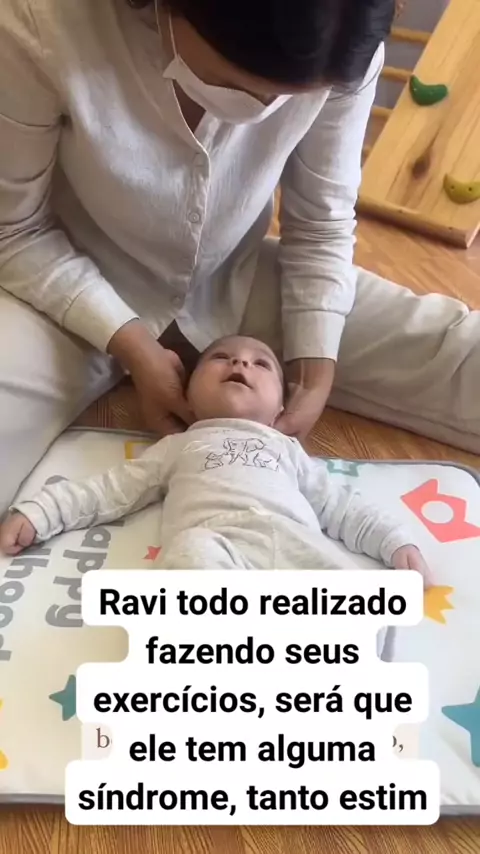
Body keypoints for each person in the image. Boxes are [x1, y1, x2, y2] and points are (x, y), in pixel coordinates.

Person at [0, 0, 478, 520]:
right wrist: (131, 344)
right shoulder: (38, 21)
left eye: (288, 99)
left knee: (450, 351)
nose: (263, 107)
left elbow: (321, 224)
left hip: (234, 274)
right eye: (235, 84)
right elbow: (15, 230)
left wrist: (316, 363)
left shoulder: (348, 47)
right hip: (58, 288)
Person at [0, 335, 434, 585]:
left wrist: (395, 542)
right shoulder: (180, 445)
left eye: (261, 364)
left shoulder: (286, 448)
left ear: (281, 408)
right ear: (187, 395)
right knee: (189, 559)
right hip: (215, 542)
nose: (241, 361)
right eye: (221, 358)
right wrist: (43, 512)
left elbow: (340, 505)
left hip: (293, 543)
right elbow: (109, 490)